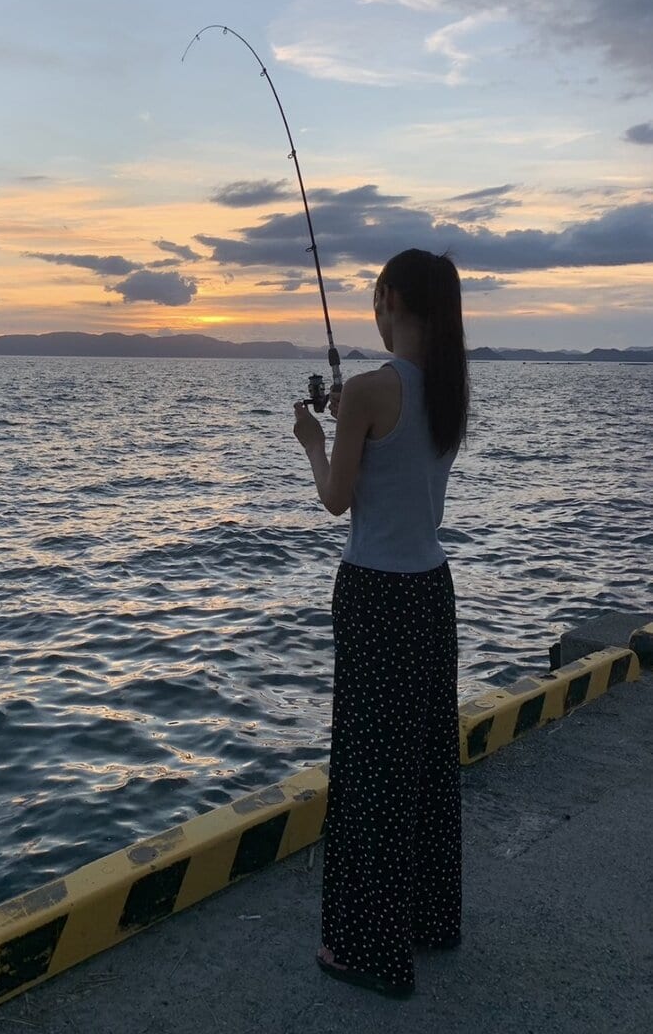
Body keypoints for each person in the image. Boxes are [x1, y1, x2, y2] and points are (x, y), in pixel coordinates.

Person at [292, 247, 469, 1000]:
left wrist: (313, 438)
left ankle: (371, 951)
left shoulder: (367, 390)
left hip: (375, 595)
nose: (373, 307)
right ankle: (430, 922)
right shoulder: (452, 390)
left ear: (392, 299)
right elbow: (396, 459)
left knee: (369, 772)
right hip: (432, 592)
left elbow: (337, 498)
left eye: (377, 296)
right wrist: (350, 421)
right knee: (423, 765)